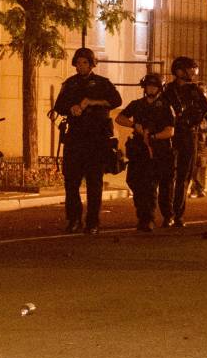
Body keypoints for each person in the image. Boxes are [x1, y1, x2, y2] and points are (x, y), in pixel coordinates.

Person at [52, 47, 123, 233]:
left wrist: (92, 101)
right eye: (78, 62)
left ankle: (93, 221)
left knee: (94, 182)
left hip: (96, 138)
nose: (81, 66)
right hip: (76, 137)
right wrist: (71, 108)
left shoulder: (102, 83)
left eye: (85, 62)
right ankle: (74, 219)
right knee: (72, 181)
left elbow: (116, 101)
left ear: (91, 64)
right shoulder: (70, 84)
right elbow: (59, 105)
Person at [115, 73, 176, 232]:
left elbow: (170, 131)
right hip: (139, 150)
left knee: (152, 185)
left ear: (160, 88)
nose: (150, 89)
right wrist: (134, 125)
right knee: (134, 181)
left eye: (154, 86)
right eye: (148, 85)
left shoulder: (165, 106)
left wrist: (154, 136)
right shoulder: (137, 104)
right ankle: (143, 213)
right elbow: (120, 118)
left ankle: (151, 218)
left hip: (158, 150)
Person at [162, 56, 207, 227]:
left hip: (189, 135)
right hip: (170, 136)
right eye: (189, 69)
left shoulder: (195, 91)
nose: (193, 72)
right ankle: (167, 214)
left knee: (184, 177)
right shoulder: (168, 91)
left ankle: (178, 214)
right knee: (168, 176)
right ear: (179, 71)